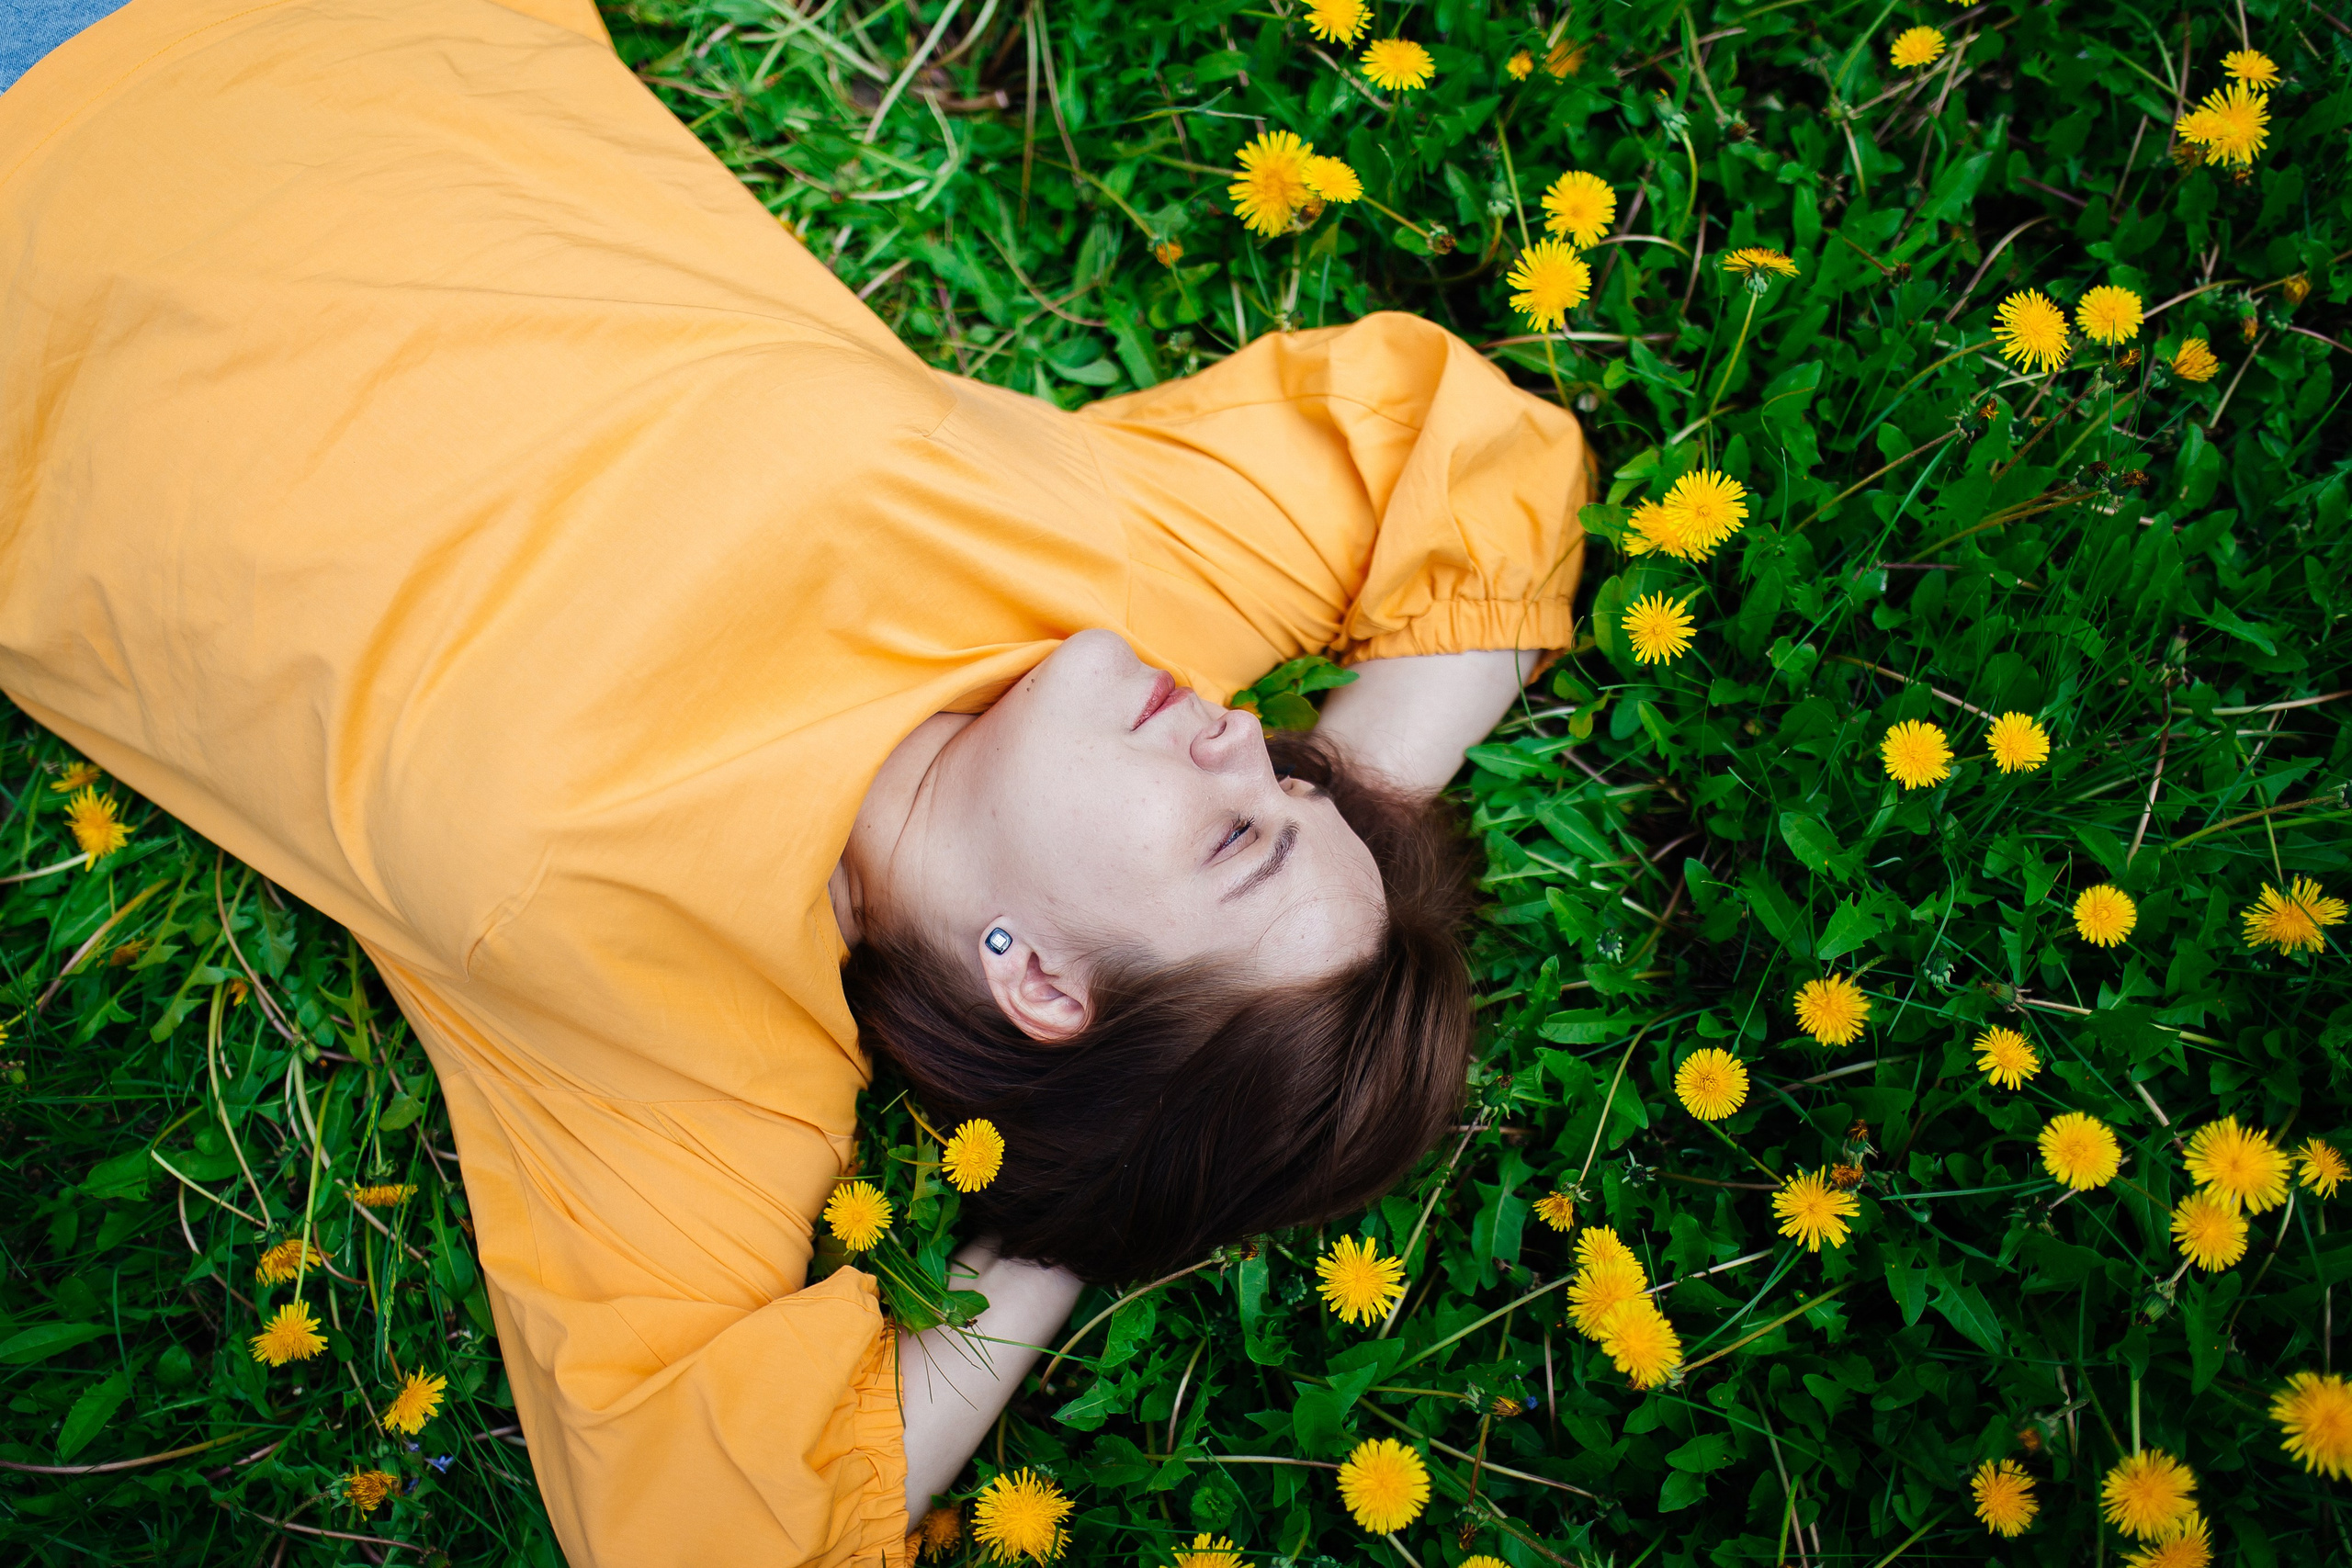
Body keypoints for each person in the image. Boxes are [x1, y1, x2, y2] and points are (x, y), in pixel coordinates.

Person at [0, 0, 1588, 1562]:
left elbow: (715, 1541)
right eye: (1291, 775)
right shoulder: (1114, 591)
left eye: (1239, 840)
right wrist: (1354, 805)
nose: (1245, 735)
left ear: (1039, 981)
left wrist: (1062, 1226)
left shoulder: (688, 1061)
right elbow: (1482, 464)